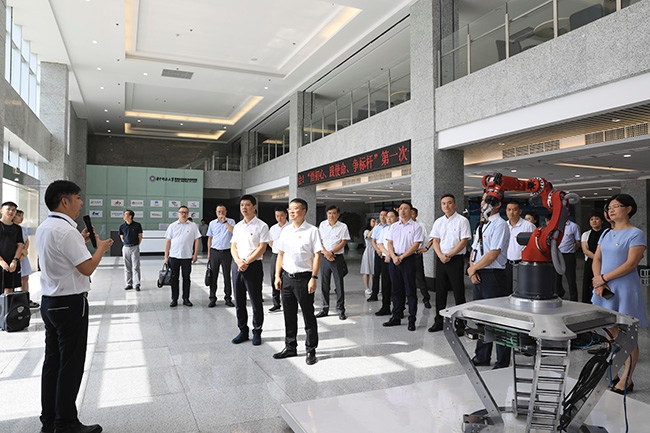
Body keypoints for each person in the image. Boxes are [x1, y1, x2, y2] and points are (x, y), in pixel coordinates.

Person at [37, 180, 113, 433]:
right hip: (69, 304)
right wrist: (100, 249)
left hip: (50, 303)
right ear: (65, 201)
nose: (81, 202)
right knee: (70, 364)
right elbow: (87, 268)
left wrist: (80, 240)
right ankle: (66, 423)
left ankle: (49, 420)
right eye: (78, 197)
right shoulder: (66, 231)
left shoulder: (46, 227)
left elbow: (60, 257)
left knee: (53, 363)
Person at [591, 194, 647, 395]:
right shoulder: (606, 233)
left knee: (627, 336)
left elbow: (631, 264)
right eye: (609, 208)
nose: (611, 210)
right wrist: (598, 280)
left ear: (628, 209)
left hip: (623, 289)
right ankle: (612, 371)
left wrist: (603, 278)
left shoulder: (636, 233)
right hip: (603, 289)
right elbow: (597, 259)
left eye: (616, 206)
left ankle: (627, 379)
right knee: (609, 333)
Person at [273, 198, 322, 365]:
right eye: (290, 209)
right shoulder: (285, 231)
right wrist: (277, 276)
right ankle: (290, 347)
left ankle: (311, 349)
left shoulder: (312, 231)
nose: (292, 212)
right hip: (287, 278)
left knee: (308, 315)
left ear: (304, 211)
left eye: (295, 208)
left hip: (304, 278)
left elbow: (317, 255)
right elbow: (280, 254)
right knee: (288, 314)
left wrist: (314, 278)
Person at [467, 192, 510, 369]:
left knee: (498, 320)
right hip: (479, 273)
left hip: (494, 275)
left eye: (487, 200)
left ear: (497, 204)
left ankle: (502, 360)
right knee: (481, 317)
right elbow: (474, 249)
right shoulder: (483, 224)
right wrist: (472, 269)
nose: (483, 203)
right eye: (483, 200)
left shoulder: (500, 225)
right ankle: (482, 355)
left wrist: (474, 268)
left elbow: (494, 253)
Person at [424, 194, 471, 333]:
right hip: (441, 259)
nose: (446, 206)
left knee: (458, 292)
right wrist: (440, 255)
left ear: (455, 204)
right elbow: (435, 240)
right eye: (443, 203)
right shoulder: (438, 222)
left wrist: (449, 255)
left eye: (449, 203)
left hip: (455, 259)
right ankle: (439, 321)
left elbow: (464, 241)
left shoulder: (462, 221)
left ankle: (461, 324)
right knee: (440, 292)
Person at [230, 195, 270, 345]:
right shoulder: (238, 226)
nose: (244, 208)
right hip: (237, 265)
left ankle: (257, 331)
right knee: (239, 301)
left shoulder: (262, 226)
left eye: (247, 205)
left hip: (253, 266)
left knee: (255, 300)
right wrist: (238, 261)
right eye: (242, 205)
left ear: (254, 207)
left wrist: (247, 261)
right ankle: (242, 330)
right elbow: (233, 246)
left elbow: (262, 248)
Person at [383, 201, 424, 331]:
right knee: (396, 290)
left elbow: (416, 245)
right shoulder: (394, 226)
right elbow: (389, 243)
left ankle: (412, 319)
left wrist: (402, 257)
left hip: (408, 260)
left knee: (410, 290)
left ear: (411, 211)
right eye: (400, 209)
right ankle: (396, 316)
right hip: (394, 260)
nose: (402, 211)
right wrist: (394, 256)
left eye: (405, 209)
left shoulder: (416, 227)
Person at [316, 205, 350, 320]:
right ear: (326, 214)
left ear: (338, 215)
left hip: (337, 258)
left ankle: (340, 309)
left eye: (334, 213)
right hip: (324, 257)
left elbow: (343, 242)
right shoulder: (322, 225)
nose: (331, 215)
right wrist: (326, 253)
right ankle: (324, 308)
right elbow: (319, 241)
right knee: (324, 284)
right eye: (329, 213)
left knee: (339, 284)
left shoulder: (343, 226)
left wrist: (331, 252)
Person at [164, 205, 201, 307]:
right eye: (181, 212)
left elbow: (197, 240)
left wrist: (195, 254)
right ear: (178, 214)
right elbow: (168, 242)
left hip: (187, 257)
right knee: (174, 279)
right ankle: (174, 299)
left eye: (185, 212)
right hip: (174, 256)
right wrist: (166, 256)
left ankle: (186, 298)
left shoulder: (193, 226)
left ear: (188, 214)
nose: (183, 214)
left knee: (186, 278)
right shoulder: (172, 226)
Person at [207, 204, 236, 307]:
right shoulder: (212, 223)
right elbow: (210, 238)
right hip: (214, 252)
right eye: (219, 212)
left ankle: (228, 298)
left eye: (223, 211)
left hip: (226, 252)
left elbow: (233, 232)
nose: (221, 213)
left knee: (227, 276)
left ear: (226, 212)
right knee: (213, 276)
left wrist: (225, 222)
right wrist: (209, 253)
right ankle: (212, 298)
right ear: (216, 212)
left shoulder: (231, 221)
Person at [504, 200, 536, 294]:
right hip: (506, 264)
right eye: (509, 209)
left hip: (522, 264)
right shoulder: (504, 225)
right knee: (506, 290)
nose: (511, 212)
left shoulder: (528, 226)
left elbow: (533, 246)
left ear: (520, 211)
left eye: (514, 210)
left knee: (521, 290)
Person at [13, 209, 39, 308]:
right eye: (19, 215)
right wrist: (20, 254)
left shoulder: (23, 228)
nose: (21, 218)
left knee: (25, 278)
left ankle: (25, 298)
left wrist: (24, 251)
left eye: (22, 216)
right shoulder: (11, 228)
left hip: (23, 257)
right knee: (15, 279)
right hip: (16, 257)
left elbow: (26, 241)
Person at [374, 209, 397, 316]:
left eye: (391, 217)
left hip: (397, 259)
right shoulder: (384, 230)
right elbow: (380, 244)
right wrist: (388, 254)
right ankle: (385, 306)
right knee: (385, 284)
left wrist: (391, 255)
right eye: (387, 217)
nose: (389, 219)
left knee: (396, 285)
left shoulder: (399, 229)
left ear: (397, 218)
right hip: (386, 259)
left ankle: (398, 308)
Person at [580, 210, 606, 304]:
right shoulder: (585, 234)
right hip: (590, 262)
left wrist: (601, 260)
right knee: (588, 283)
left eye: (597, 219)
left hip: (605, 262)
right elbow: (585, 250)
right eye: (591, 219)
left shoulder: (606, 234)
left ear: (602, 221)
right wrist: (597, 259)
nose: (594, 221)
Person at [268, 206, 289, 312]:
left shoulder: (290, 227)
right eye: (277, 216)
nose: (279, 218)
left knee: (286, 280)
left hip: (287, 256)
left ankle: (287, 303)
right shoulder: (273, 228)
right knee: (274, 278)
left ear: (286, 215)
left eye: (281, 216)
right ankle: (276, 303)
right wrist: (276, 249)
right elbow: (270, 242)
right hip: (275, 255)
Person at [555, 218, 581, 301]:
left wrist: (572, 250)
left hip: (569, 255)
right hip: (557, 255)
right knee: (556, 278)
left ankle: (574, 299)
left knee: (571, 279)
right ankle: (558, 295)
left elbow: (578, 242)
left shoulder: (574, 226)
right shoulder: (556, 224)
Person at [0, 201, 23, 295]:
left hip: (12, 262)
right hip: (1, 261)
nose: (11, 212)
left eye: (13, 210)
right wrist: (1, 261)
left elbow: (20, 245)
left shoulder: (17, 228)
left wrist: (15, 260)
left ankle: (7, 305)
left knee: (9, 289)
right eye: (8, 209)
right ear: (1, 211)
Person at [411, 207, 431, 308]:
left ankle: (426, 298)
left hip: (416, 254)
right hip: (405, 255)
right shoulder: (404, 226)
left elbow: (431, 238)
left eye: (413, 213)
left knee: (420, 277)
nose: (410, 215)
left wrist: (426, 248)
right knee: (408, 278)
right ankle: (410, 298)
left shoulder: (421, 225)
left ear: (416, 215)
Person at [368, 209, 389, 302]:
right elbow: (373, 241)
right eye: (381, 215)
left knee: (386, 275)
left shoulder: (390, 227)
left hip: (387, 253)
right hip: (378, 253)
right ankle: (374, 294)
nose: (383, 217)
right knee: (376, 274)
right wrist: (378, 250)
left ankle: (387, 294)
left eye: (385, 215)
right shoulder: (377, 227)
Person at [119, 209, 142, 291]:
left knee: (136, 266)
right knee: (127, 267)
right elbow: (122, 237)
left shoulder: (137, 225)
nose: (124, 216)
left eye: (125, 214)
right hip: (126, 247)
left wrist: (136, 245)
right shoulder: (122, 226)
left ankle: (137, 284)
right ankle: (129, 284)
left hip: (134, 247)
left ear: (130, 216)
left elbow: (140, 236)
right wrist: (126, 244)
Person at [360, 217, 376, 295]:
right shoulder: (367, 231)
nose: (374, 223)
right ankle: (367, 288)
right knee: (366, 270)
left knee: (373, 271)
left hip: (375, 250)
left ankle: (374, 287)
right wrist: (374, 228)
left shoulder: (377, 230)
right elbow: (368, 236)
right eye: (373, 221)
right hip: (368, 250)